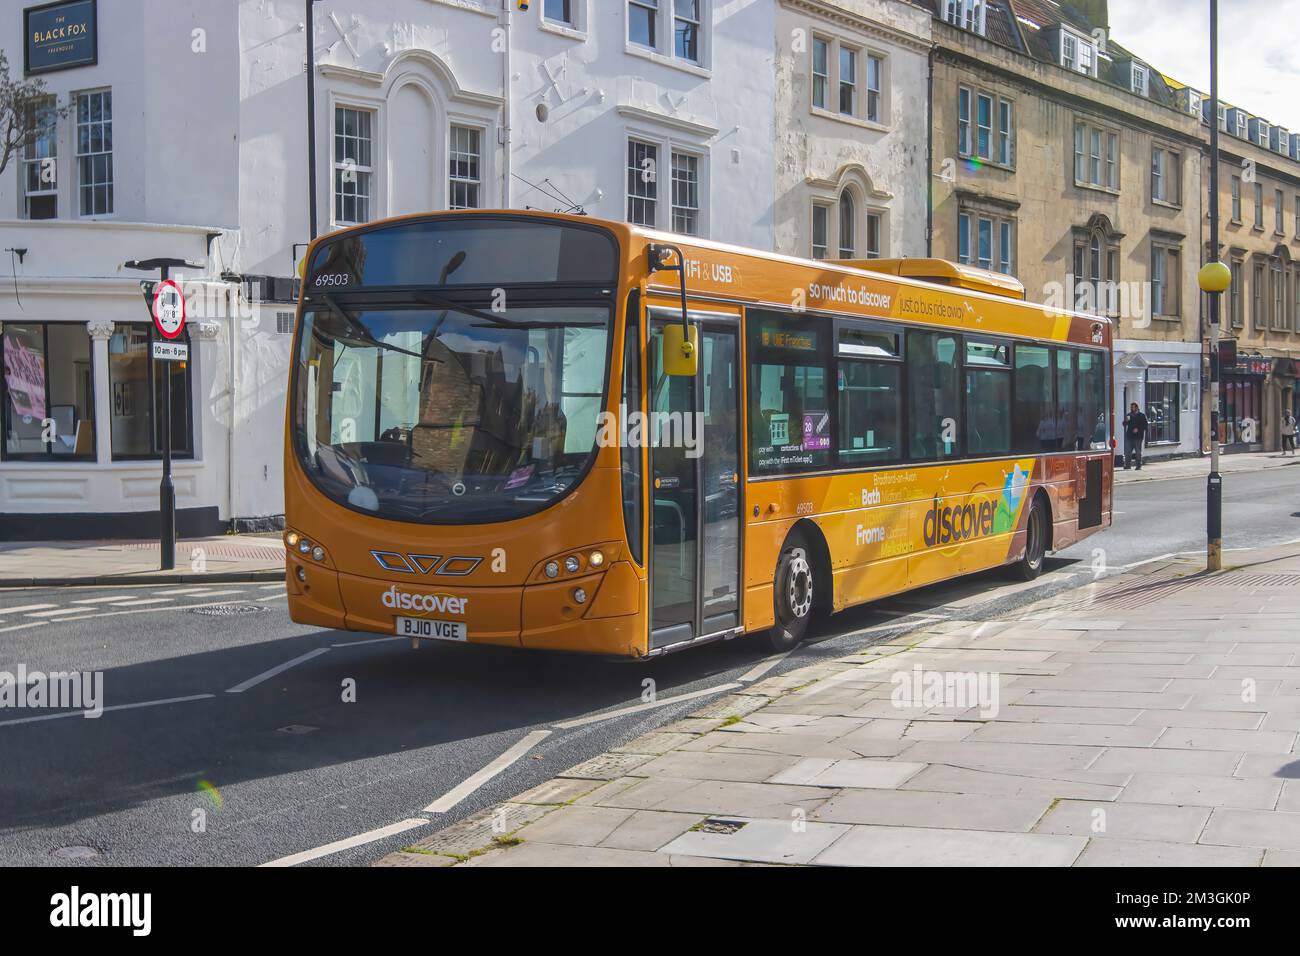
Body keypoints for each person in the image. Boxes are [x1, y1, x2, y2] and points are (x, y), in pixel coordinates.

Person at [1122, 402, 1148, 470]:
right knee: (1127, 452)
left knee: (1138, 452)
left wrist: (1138, 429)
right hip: (1129, 436)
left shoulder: (1142, 415)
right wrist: (1126, 421)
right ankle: (1128, 465)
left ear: (1136, 408)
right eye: (1131, 407)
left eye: (1132, 407)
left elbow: (1145, 426)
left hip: (1138, 437)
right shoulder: (1129, 415)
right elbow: (1124, 424)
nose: (1131, 409)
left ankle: (1138, 466)